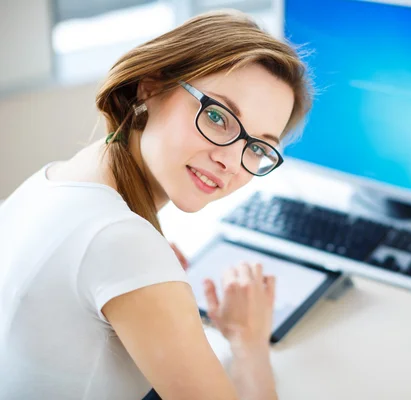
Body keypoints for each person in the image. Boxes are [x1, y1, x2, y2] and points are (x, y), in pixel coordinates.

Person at [0, 9, 312, 400]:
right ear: (150, 88)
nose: (231, 162)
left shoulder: (60, 178)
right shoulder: (121, 242)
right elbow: (112, 247)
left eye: (257, 146)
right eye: (218, 116)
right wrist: (249, 342)